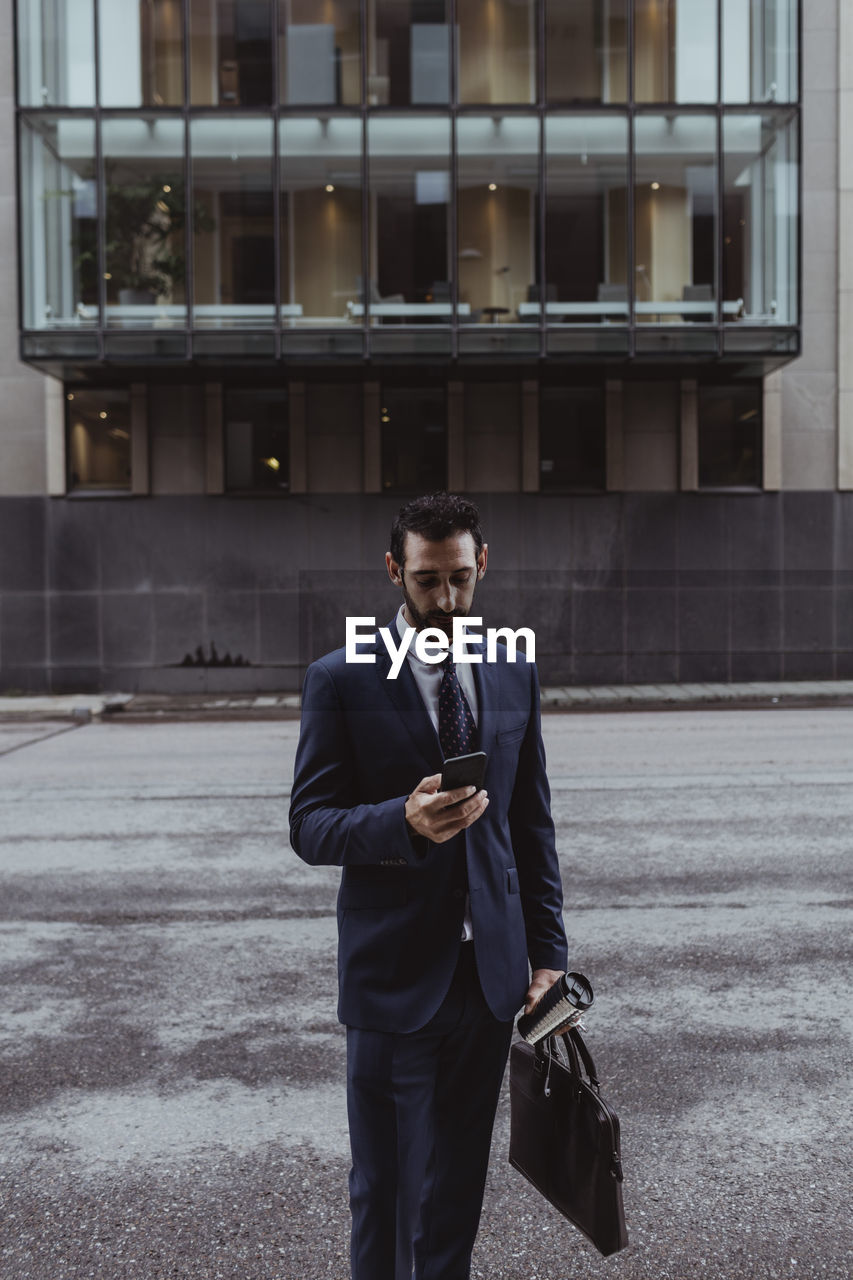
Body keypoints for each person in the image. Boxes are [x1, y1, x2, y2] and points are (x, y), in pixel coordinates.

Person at [289, 492, 567, 1280]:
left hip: (490, 981)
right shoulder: (338, 677)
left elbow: (530, 826)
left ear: (482, 564)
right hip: (391, 978)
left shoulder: (512, 670)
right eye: (424, 583)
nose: (444, 601)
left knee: (454, 1192)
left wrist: (546, 955)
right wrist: (399, 824)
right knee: (385, 1190)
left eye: (457, 580)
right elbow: (309, 825)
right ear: (392, 572)